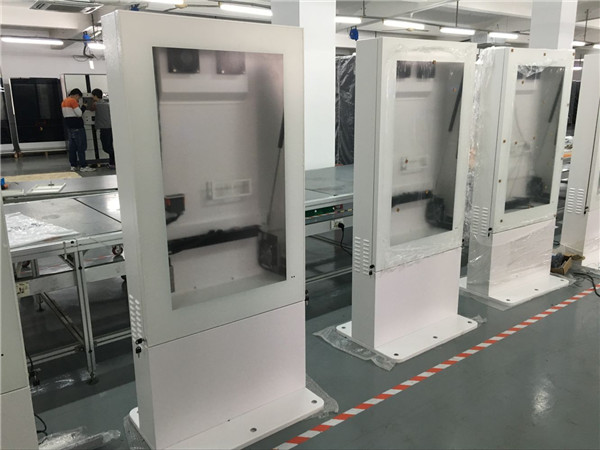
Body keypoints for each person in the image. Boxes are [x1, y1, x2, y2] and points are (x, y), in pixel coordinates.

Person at [61, 88, 95, 172]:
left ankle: (73, 165)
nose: (78, 100)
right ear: (76, 95)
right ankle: (83, 166)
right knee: (81, 147)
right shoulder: (72, 101)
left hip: (70, 128)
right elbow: (79, 114)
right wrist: (84, 106)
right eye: (78, 98)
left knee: (72, 148)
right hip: (78, 128)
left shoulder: (64, 102)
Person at [90, 88, 115, 169]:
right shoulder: (107, 104)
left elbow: (90, 109)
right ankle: (112, 163)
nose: (92, 97)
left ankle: (116, 159)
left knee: (106, 147)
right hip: (110, 127)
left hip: (104, 129)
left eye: (92, 96)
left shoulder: (96, 104)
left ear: (95, 96)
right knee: (110, 146)